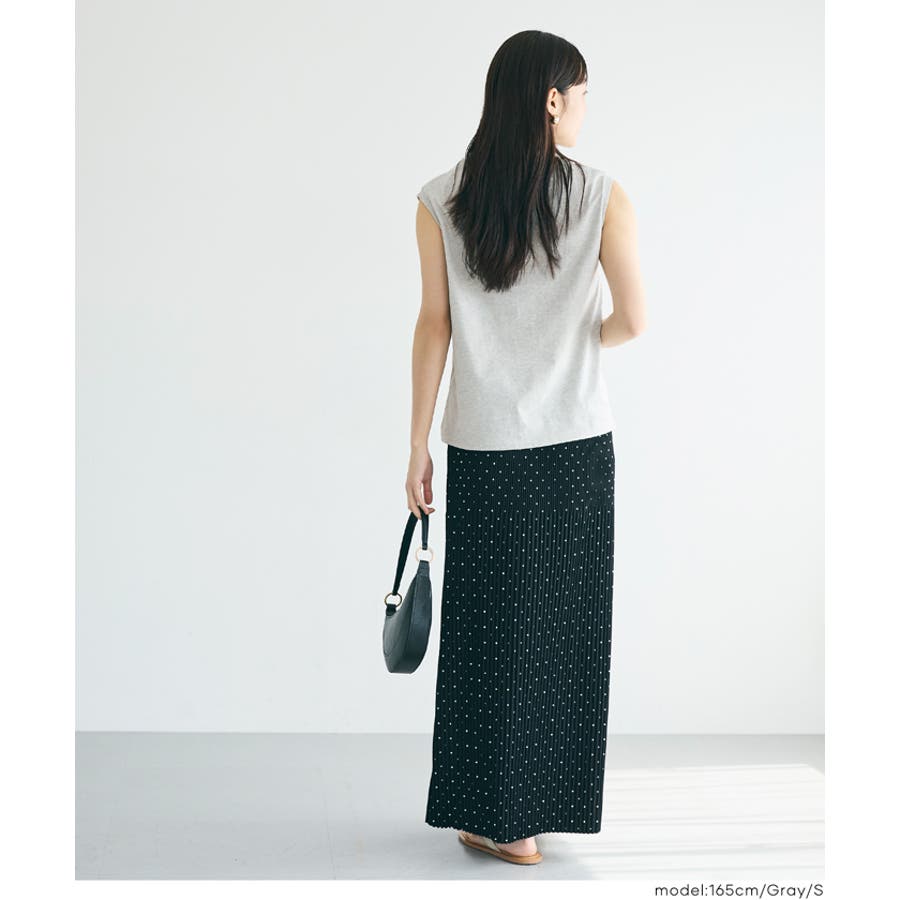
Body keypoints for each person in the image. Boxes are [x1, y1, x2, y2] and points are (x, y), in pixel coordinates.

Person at [406, 30, 647, 866]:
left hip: (482, 446)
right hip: (575, 446)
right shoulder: (603, 195)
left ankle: (493, 815)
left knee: (485, 631)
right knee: (561, 632)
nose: (583, 109)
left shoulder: (440, 199)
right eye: (580, 94)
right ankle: (530, 816)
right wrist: (576, 345)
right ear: (551, 99)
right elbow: (634, 319)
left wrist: (416, 446)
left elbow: (433, 325)